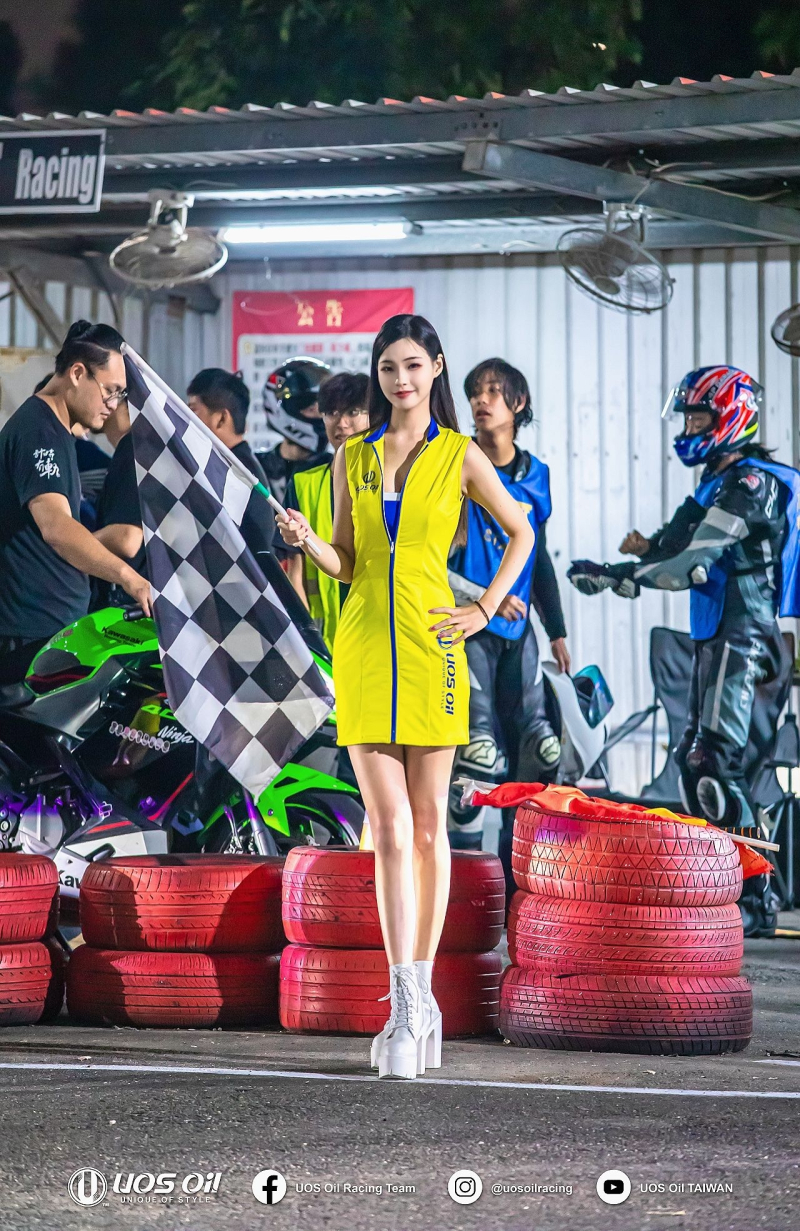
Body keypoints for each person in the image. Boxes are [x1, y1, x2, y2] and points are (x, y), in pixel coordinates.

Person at [277, 314, 533, 1080]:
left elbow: (522, 532)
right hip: (360, 649)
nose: (401, 380)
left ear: (436, 368)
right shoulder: (353, 456)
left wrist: (484, 608)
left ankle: (422, 998)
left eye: (414, 365)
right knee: (385, 830)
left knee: (427, 829)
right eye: (389, 367)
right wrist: (307, 541)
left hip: (434, 652)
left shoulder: (459, 454)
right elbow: (347, 558)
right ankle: (406, 1000)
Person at [568, 366, 799, 933]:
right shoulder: (716, 484)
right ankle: (735, 891)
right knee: (695, 764)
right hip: (719, 636)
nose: (689, 428)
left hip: (747, 639)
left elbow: (688, 564)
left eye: (698, 418)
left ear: (729, 418)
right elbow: (669, 548)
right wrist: (622, 565)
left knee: (715, 765)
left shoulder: (752, 485)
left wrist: (626, 577)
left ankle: (756, 899)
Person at [447, 359, 569, 888]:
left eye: (494, 392)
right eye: (475, 392)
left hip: (520, 637)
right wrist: (483, 599)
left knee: (540, 755)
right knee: (476, 760)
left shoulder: (537, 475)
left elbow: (537, 559)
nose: (481, 400)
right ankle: (466, 889)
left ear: (518, 404)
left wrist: (557, 630)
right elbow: (426, 558)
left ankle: (518, 887)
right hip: (467, 628)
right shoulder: (455, 464)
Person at [0, 320, 151, 683]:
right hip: (27, 635)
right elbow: (56, 526)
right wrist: (129, 578)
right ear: (78, 373)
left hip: (49, 629)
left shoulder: (58, 431)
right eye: (110, 391)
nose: (113, 405)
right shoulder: (37, 431)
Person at [283, 371, 370, 652]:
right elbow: (295, 572)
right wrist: (309, 640)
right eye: (332, 413)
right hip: (325, 641)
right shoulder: (303, 484)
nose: (341, 423)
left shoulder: (393, 481)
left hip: (380, 633)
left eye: (353, 412)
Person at [257, 357, 332, 508]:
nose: (320, 413)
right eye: (309, 406)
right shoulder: (256, 467)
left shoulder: (336, 468)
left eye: (324, 407)